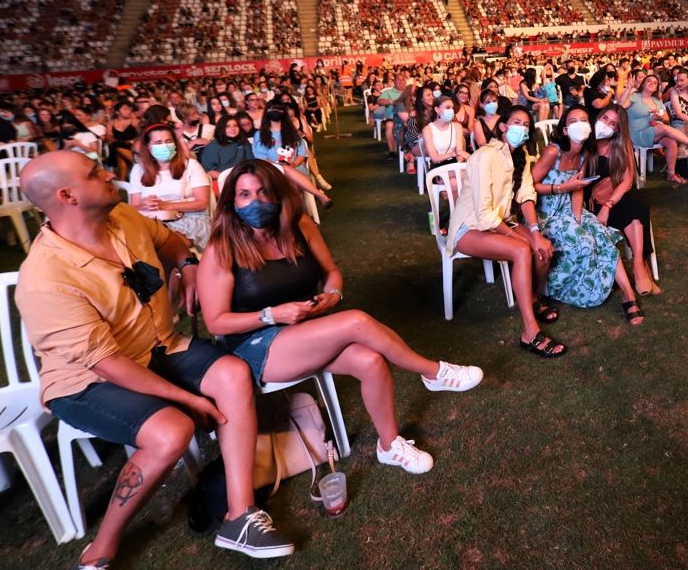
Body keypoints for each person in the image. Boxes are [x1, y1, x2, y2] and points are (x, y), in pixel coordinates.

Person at [15, 151, 295, 568]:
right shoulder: (45, 279)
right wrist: (189, 400)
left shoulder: (123, 218)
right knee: (172, 430)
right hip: (88, 382)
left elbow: (171, 241)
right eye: (95, 173)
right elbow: (107, 363)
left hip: (161, 346)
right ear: (67, 195)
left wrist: (187, 266)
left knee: (233, 375)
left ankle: (239, 516)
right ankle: (101, 549)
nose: (109, 173)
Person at [198, 160, 481, 476]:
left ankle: (389, 446)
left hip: (308, 328)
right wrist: (270, 315)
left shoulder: (299, 226)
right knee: (355, 321)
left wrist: (332, 295)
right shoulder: (222, 247)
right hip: (256, 343)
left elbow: (332, 273)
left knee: (371, 362)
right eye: (245, 195)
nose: (256, 201)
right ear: (232, 202)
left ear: (277, 193)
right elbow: (216, 322)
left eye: (263, 192)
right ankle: (432, 372)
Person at [447, 106, 563, 357]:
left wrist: (534, 231)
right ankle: (530, 332)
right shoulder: (484, 156)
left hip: (499, 221)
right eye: (516, 122)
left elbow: (526, 196)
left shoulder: (521, 156)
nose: (522, 128)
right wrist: (516, 236)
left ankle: (532, 299)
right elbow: (483, 214)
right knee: (522, 249)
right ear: (503, 127)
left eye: (526, 124)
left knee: (542, 248)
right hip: (470, 227)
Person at [531, 106, 642, 322]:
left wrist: (578, 218)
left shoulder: (583, 153)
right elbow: (530, 186)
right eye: (573, 121)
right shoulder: (553, 152)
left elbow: (578, 188)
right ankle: (560, 289)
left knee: (602, 234)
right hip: (547, 213)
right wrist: (560, 188)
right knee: (585, 241)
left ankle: (629, 296)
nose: (580, 124)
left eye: (583, 119)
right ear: (564, 129)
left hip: (569, 208)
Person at [589, 104, 660, 296]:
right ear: (597, 117)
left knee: (635, 202)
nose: (607, 125)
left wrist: (608, 205)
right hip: (590, 201)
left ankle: (637, 264)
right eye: (605, 119)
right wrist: (603, 207)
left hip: (615, 197)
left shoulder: (620, 143)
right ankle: (643, 269)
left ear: (617, 129)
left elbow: (627, 179)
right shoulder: (585, 141)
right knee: (631, 207)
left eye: (613, 124)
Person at [129, 123, 212, 249]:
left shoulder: (191, 165)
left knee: (160, 241)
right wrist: (145, 204)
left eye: (168, 141)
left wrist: (166, 205)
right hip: (152, 219)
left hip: (190, 218)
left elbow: (202, 203)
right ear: (148, 148)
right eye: (158, 142)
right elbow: (133, 207)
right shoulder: (138, 169)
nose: (165, 146)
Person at [620, 69, 688, 186]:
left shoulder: (656, 100)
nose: (652, 83)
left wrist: (658, 117)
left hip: (653, 131)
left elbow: (666, 119)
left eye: (655, 83)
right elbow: (620, 107)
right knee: (664, 129)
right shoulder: (635, 96)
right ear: (643, 84)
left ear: (656, 88)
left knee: (671, 142)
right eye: (649, 81)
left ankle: (671, 174)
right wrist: (628, 88)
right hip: (637, 133)